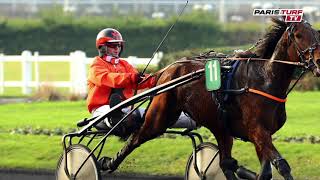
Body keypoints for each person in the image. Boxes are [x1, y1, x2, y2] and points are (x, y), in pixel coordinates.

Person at [87, 28, 156, 137]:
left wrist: (158, 79)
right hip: (101, 110)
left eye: (119, 45)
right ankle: (116, 119)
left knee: (154, 113)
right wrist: (131, 78)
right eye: (113, 46)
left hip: (125, 108)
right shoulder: (96, 65)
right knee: (114, 112)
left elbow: (139, 81)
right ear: (103, 47)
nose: (117, 49)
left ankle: (122, 118)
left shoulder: (124, 65)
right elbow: (107, 78)